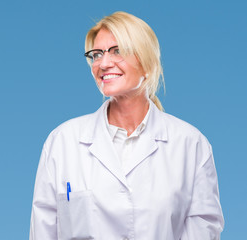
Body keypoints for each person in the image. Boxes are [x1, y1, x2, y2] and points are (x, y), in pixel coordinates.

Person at [29, 11, 224, 240]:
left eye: (117, 51)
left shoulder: (191, 145)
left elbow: (203, 230)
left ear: (147, 63)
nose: (103, 63)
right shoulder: (62, 142)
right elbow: (42, 232)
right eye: (97, 54)